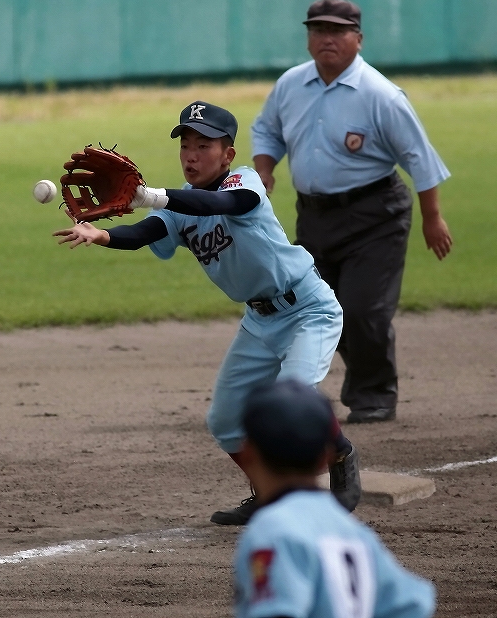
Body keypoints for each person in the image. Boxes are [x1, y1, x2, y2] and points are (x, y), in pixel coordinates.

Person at [53, 101, 360, 526]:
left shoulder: (244, 181)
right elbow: (147, 231)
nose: (191, 155)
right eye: (186, 146)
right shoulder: (180, 205)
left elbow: (223, 205)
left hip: (307, 309)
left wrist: (150, 196)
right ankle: (268, 494)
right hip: (259, 322)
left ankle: (339, 453)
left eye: (204, 145)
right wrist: (103, 234)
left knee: (289, 404)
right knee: (226, 421)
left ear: (227, 154)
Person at [251, 0, 453, 424]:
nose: (327, 39)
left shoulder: (381, 95)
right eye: (318, 30)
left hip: (375, 215)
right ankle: (321, 390)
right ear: (307, 39)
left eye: (338, 31)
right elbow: (267, 130)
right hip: (314, 215)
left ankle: (374, 393)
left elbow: (419, 158)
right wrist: (265, 169)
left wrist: (433, 218)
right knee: (317, 307)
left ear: (358, 40)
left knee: (364, 310)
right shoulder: (290, 85)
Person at [233, 379, 435, 618]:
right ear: (326, 457)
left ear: (246, 454)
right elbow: (413, 604)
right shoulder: (355, 533)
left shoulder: (271, 531)